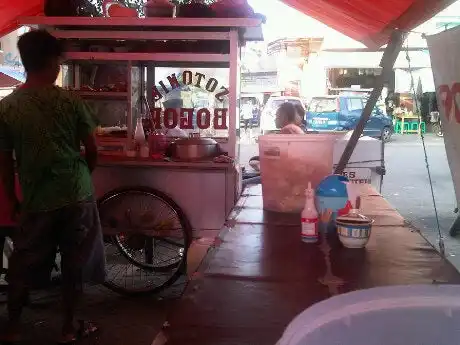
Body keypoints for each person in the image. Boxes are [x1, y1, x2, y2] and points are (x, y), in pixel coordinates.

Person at [0, 30, 105, 344]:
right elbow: (92, 149)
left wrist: (11, 198)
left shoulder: (8, 108)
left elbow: (5, 161)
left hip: (35, 197)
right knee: (74, 264)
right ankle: (69, 329)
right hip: (76, 194)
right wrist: (83, 176)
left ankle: (14, 327)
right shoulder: (71, 100)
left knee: (22, 262)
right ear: (53, 62)